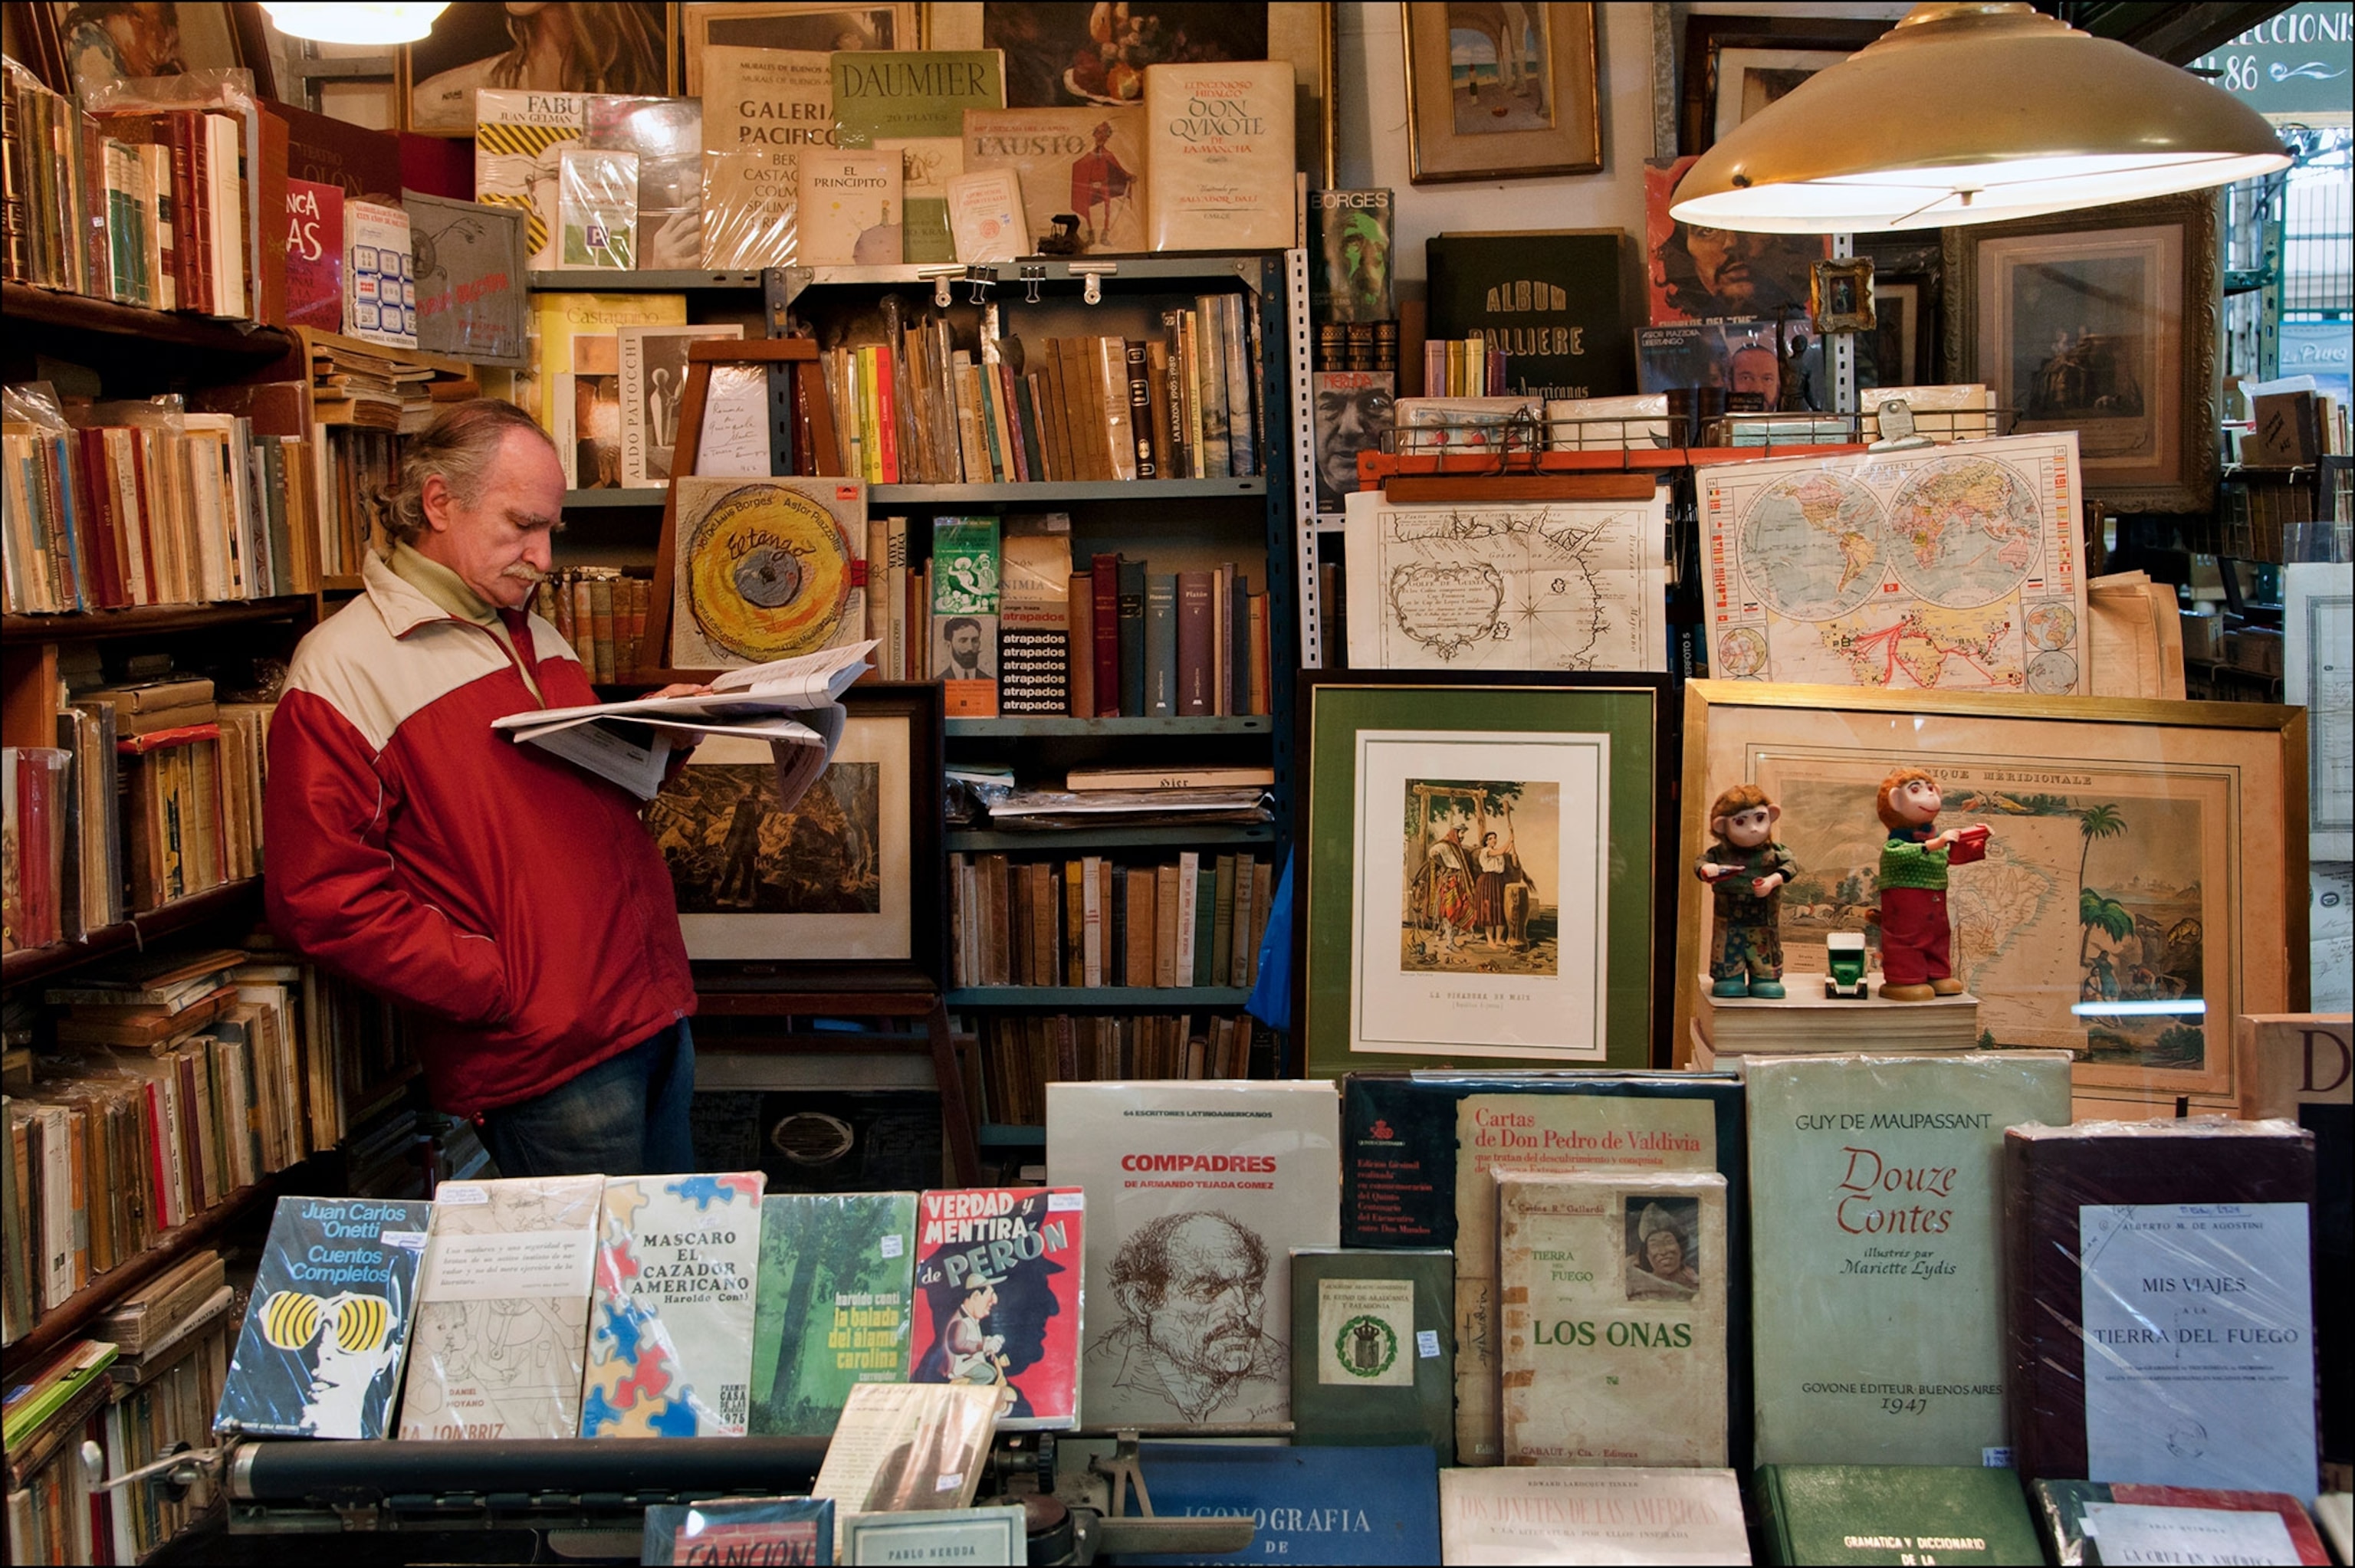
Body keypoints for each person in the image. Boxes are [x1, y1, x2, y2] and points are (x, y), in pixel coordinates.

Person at [264, 399, 703, 1177]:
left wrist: (662, 741)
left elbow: (561, 803)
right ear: (439, 502)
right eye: (522, 526)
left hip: (647, 1010)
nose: (543, 557)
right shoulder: (343, 668)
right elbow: (321, 898)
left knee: (667, 1257)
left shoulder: (529, 626)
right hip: (549, 1056)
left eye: (551, 530)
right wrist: (497, 986)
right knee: (589, 1263)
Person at [1087, 1212, 1286, 1423]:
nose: (1242, 1310)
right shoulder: (1092, 1379)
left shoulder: (1288, 1370)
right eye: (1209, 1290)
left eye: (1251, 1287)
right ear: (1141, 1301)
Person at [1874, 766, 1989, 1002]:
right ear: (1896, 800)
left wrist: (1977, 840)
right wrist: (1935, 844)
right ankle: (1904, 978)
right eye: (1916, 790)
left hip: (1935, 906)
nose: (1929, 794)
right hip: (1906, 907)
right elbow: (1900, 854)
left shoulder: (1934, 839)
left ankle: (1937, 973)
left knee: (1937, 938)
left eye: (1930, 788)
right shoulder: (1896, 845)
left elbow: (1952, 856)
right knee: (1907, 940)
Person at [1696, 783, 1796, 999]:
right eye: (1741, 822)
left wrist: (1771, 881)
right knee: (1727, 947)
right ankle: (1729, 978)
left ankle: (1765, 978)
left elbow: (1790, 866)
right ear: (1722, 826)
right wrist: (1707, 869)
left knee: (1764, 947)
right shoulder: (1718, 854)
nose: (1753, 828)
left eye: (1759, 818)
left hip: (1764, 917)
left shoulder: (1775, 852)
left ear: (1771, 815)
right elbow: (1700, 864)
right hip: (1728, 917)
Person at [1626, 1205, 1700, 1301]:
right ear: (1647, 1255)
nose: (1663, 1251)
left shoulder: (1698, 1283)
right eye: (1654, 1245)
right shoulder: (1636, 1288)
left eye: (1669, 1242)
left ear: (1681, 1249)